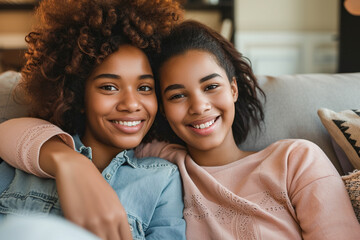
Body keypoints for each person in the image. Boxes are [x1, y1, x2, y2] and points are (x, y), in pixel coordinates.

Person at [1, 20, 360, 239]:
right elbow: (11, 133)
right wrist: (69, 162)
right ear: (161, 106)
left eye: (211, 86)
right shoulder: (161, 160)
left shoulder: (295, 158)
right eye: (176, 94)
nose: (199, 106)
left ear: (233, 88)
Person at [0, 0, 186, 240]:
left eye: (144, 87)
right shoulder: (22, 162)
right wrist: (68, 162)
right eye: (109, 87)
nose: (131, 103)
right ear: (76, 95)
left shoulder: (162, 180)